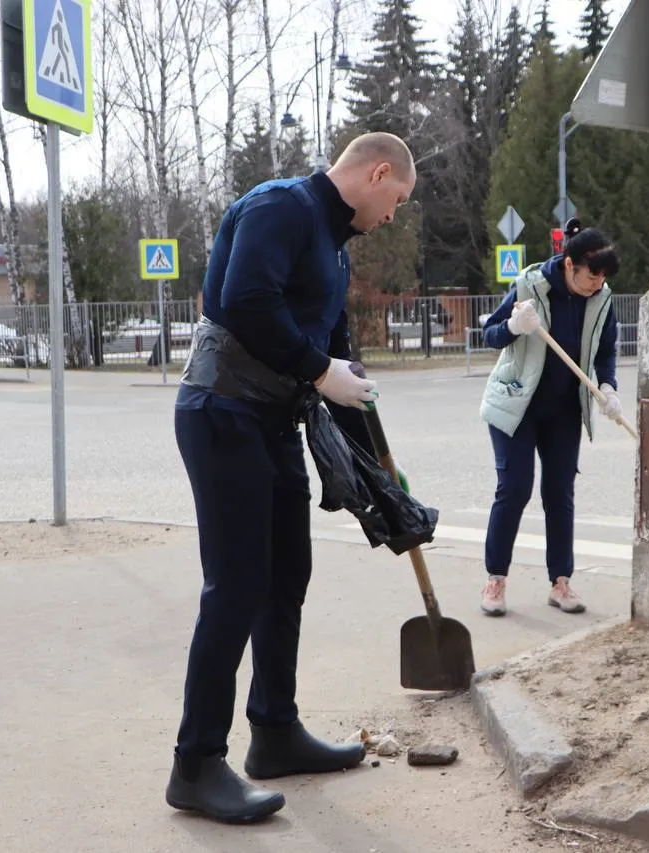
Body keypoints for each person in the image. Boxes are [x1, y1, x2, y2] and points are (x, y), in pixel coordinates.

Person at [164, 132, 417, 824]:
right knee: (238, 584)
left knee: (286, 578)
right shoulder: (282, 208)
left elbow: (340, 368)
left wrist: (382, 483)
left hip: (273, 421)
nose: (394, 215)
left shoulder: (333, 249)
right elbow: (247, 300)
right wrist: (320, 370)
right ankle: (195, 763)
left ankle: (274, 729)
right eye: (397, 200)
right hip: (222, 410)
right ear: (379, 171)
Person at [477, 218, 623, 617]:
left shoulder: (601, 298)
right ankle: (496, 580)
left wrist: (608, 387)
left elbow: (607, 348)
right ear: (568, 264)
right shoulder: (529, 286)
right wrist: (512, 325)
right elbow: (489, 334)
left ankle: (561, 582)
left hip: (563, 410)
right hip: (517, 406)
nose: (596, 284)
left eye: (602, 278)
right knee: (515, 487)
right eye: (591, 275)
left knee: (559, 494)